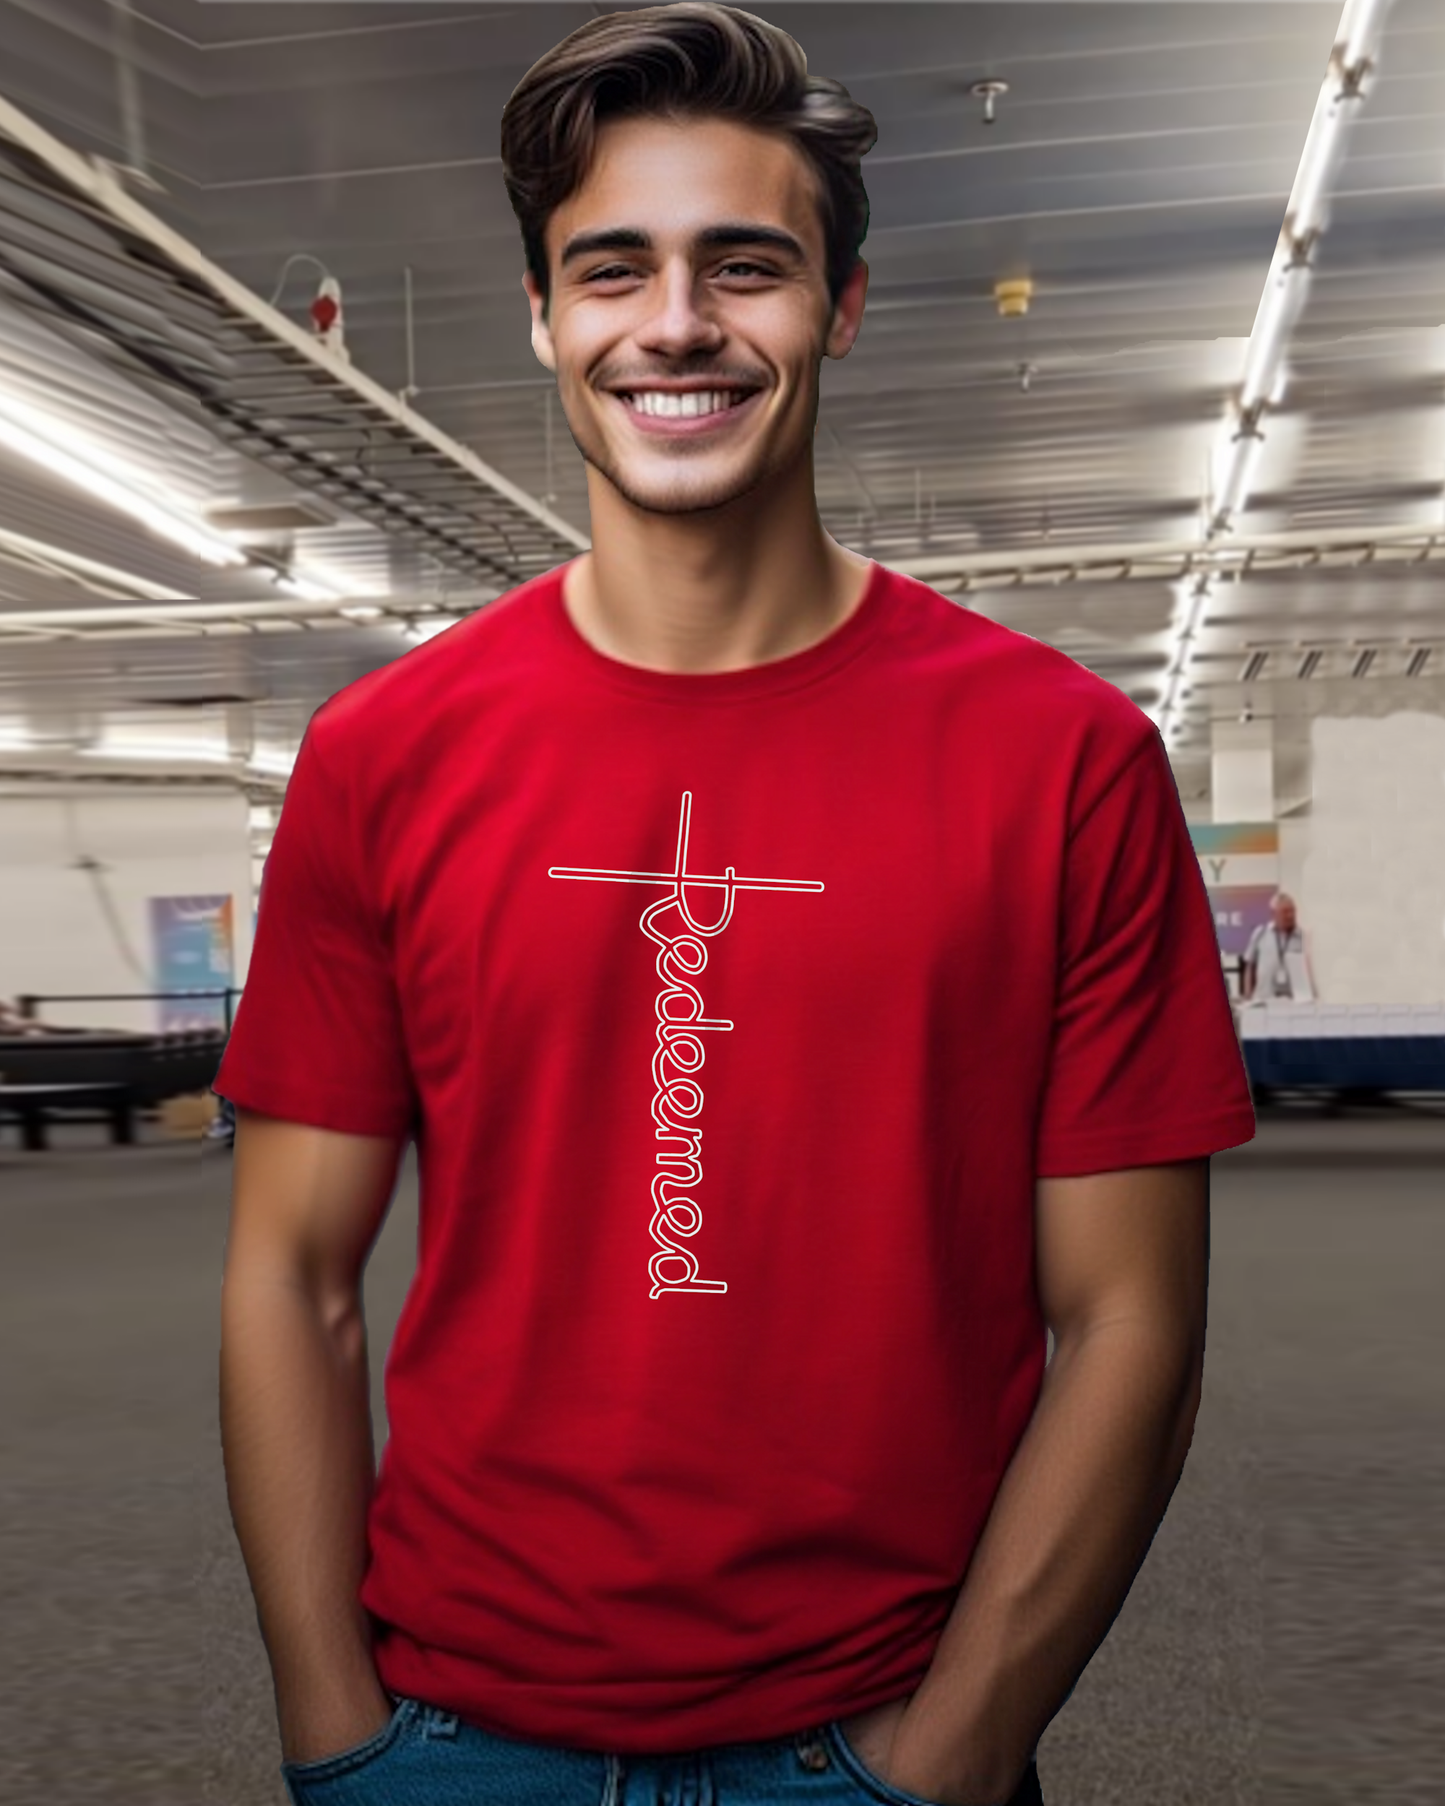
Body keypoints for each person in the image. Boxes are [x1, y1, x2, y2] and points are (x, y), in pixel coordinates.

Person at [216, 9, 1257, 1805]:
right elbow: (291, 1275)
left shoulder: (1062, 759)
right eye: (611, 268)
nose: (678, 324)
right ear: (544, 314)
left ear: (840, 306)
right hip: (452, 1737)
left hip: (875, 1735)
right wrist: (335, 1737)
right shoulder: (382, 755)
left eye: (747, 266)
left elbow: (1133, 1324)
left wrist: (949, 1758)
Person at [1242, 891, 1317, 1002]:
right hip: (1263, 1000)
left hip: (1294, 1001)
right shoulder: (1260, 933)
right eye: (1285, 912)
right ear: (1273, 914)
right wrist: (1248, 995)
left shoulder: (1303, 937)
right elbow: (1250, 966)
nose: (1290, 915)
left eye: (1293, 911)